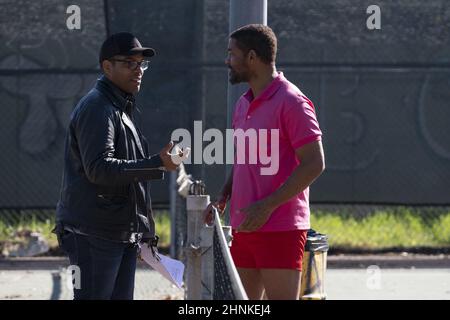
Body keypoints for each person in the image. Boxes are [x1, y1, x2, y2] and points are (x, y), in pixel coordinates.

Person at [54, 32, 182, 300]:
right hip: (93, 234)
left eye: (141, 65)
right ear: (107, 67)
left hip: (116, 234)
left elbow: (127, 176)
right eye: (129, 64)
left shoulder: (118, 105)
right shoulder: (98, 107)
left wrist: (143, 230)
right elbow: (100, 169)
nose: (138, 71)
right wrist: (157, 163)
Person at [205, 24, 325, 300]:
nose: (227, 61)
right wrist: (224, 196)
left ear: (251, 57)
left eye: (231, 54)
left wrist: (267, 206)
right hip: (244, 226)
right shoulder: (243, 104)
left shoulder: (292, 101)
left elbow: (314, 163)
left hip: (281, 229)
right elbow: (244, 159)